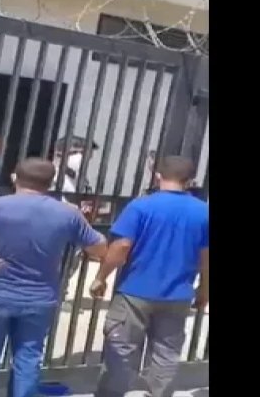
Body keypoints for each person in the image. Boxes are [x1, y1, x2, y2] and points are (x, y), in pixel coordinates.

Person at [0, 158, 107, 397]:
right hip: (40, 297)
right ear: (51, 182)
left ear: (15, 177)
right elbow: (99, 247)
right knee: (29, 357)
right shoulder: (66, 213)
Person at [89, 155, 209, 397]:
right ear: (190, 180)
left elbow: (122, 246)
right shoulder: (203, 212)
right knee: (166, 354)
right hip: (178, 294)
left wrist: (101, 276)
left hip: (134, 291)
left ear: (157, 176)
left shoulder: (141, 206)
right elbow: (206, 255)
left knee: (122, 352)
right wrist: (204, 289)